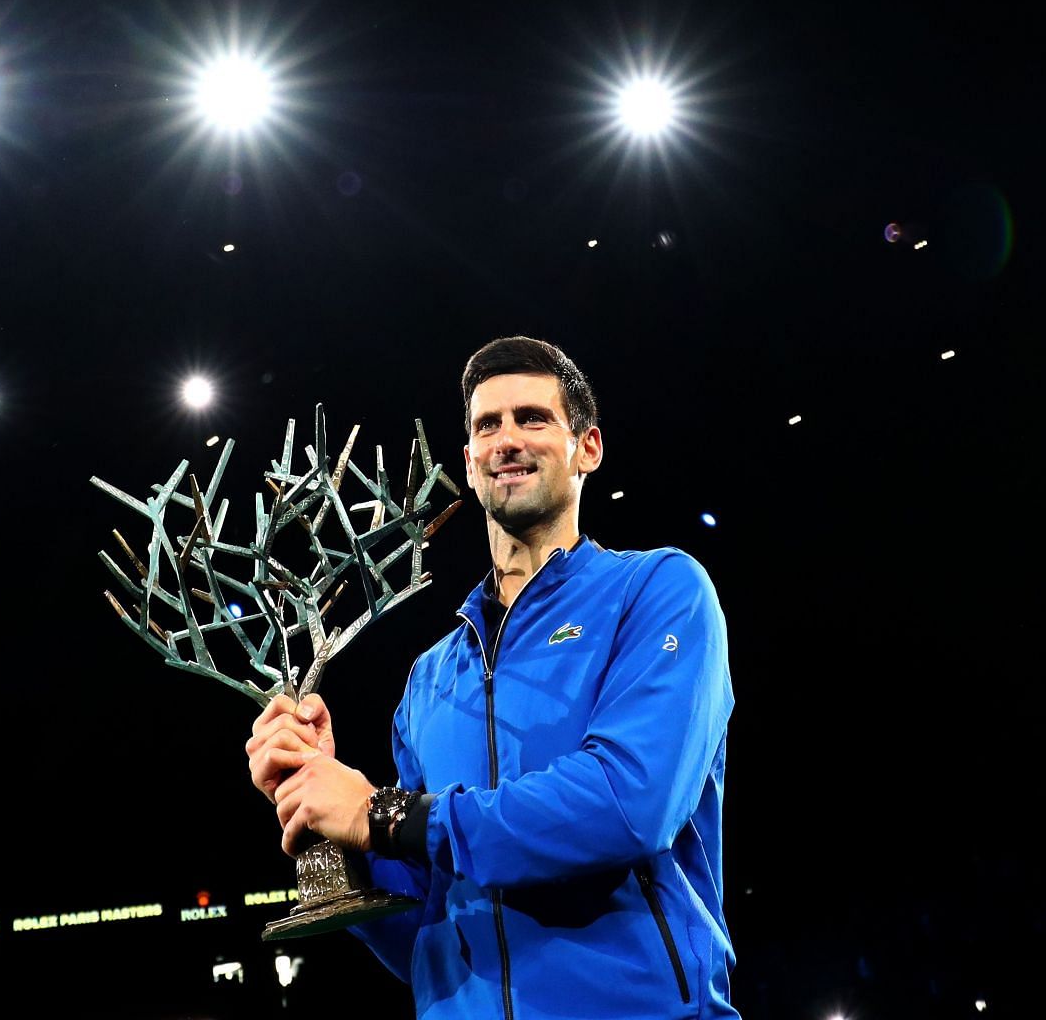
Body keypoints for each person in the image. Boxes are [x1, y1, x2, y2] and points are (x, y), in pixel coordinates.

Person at [245, 335, 737, 1019]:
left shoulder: (657, 591)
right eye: (486, 426)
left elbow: (629, 803)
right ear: (470, 464)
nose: (506, 440)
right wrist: (329, 826)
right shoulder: (428, 679)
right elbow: (427, 930)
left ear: (587, 448)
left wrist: (379, 812)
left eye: (532, 418)